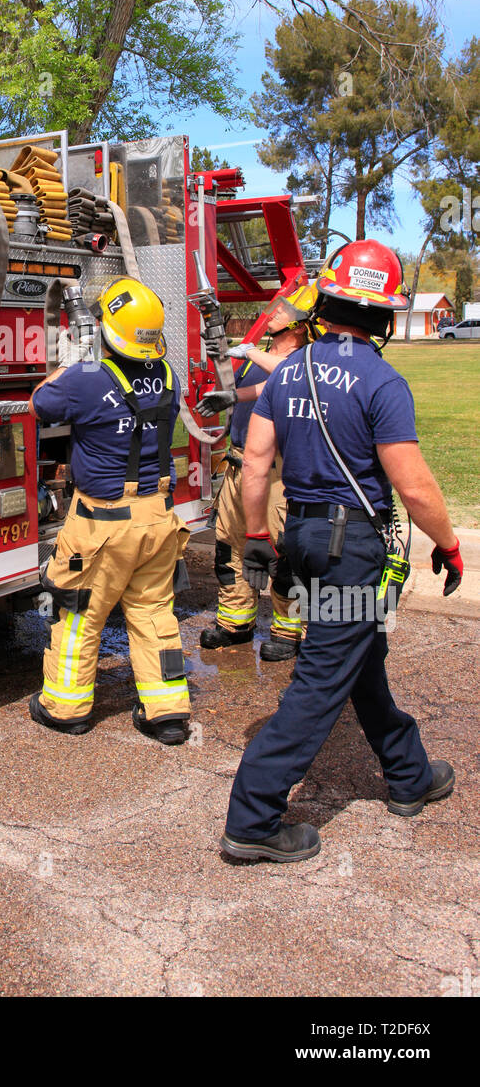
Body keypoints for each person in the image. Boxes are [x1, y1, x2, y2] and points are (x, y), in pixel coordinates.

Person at [221, 239, 463, 863]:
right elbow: (412, 485)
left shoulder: (286, 371)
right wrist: (449, 543)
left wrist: (254, 536)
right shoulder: (382, 380)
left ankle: (408, 776)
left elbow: (254, 463)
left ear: (326, 300)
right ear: (382, 316)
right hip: (348, 548)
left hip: (301, 540)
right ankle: (253, 817)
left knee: (359, 654)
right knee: (323, 677)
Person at [28, 278, 192, 744]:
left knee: (79, 614)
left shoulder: (85, 380)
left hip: (103, 525)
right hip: (158, 519)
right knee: (155, 613)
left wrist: (70, 362)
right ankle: (167, 713)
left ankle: (65, 708)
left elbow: (40, 403)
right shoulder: (169, 377)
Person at [197, 284, 318, 661]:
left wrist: (247, 349)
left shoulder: (307, 358)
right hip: (240, 466)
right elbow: (263, 387)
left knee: (284, 553)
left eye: (283, 310)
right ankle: (236, 623)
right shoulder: (263, 357)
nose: (274, 312)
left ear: (299, 326)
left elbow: (288, 376)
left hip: (280, 475)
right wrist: (231, 394)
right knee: (229, 546)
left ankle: (288, 630)